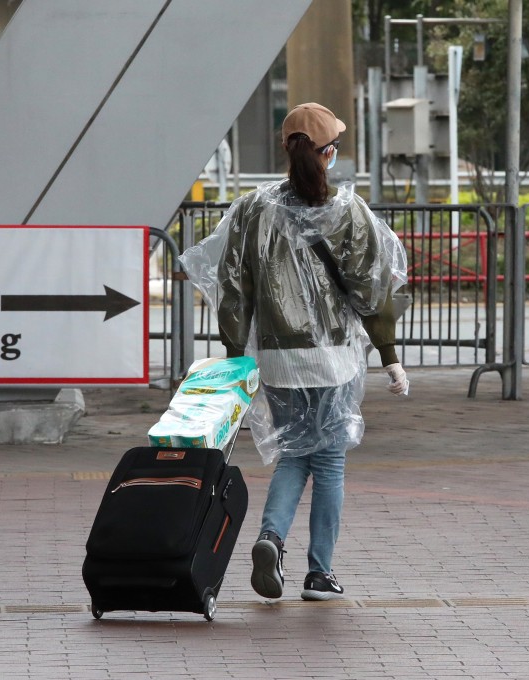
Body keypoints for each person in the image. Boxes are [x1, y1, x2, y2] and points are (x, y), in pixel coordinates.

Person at [180, 103, 409, 601]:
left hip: (277, 361)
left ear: (287, 148)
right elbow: (372, 288)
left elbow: (232, 287)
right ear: (330, 152)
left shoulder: (251, 209)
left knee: (292, 456)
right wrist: (389, 355)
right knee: (328, 466)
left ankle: (271, 538)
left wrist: (235, 356)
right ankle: (319, 573)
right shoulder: (348, 210)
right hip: (333, 359)